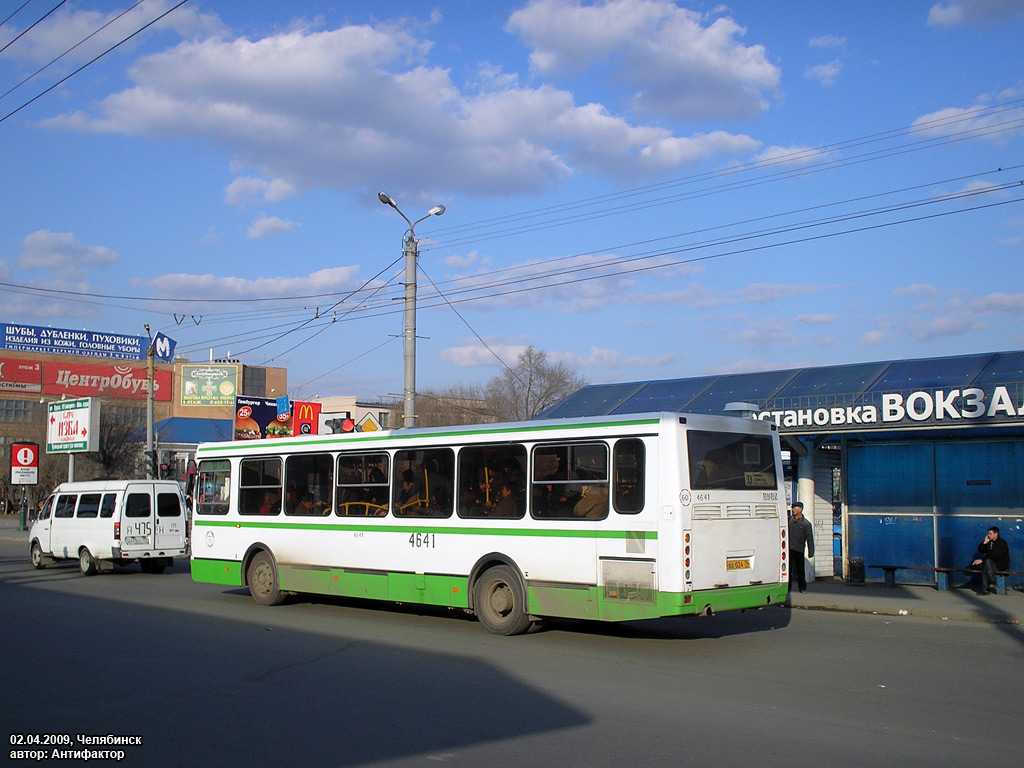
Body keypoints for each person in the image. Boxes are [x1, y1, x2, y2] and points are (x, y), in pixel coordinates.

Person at [971, 526, 1010, 594]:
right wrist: (984, 543)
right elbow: (981, 551)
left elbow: (996, 555)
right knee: (986, 566)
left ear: (996, 534)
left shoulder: (1001, 543)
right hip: (990, 564)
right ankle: (991, 584)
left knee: (987, 562)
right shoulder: (989, 542)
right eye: (988, 533)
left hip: (1000, 564)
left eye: (990, 533)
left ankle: (988, 587)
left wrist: (982, 560)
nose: (988, 535)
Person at [788, 502, 814, 593]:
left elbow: (809, 538)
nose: (793, 510)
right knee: (788, 570)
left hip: (799, 549)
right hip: (789, 549)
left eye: (795, 508)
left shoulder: (806, 524)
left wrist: (811, 551)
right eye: (793, 508)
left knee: (800, 570)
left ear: (800, 509)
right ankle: (788, 587)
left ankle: (802, 588)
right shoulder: (789, 521)